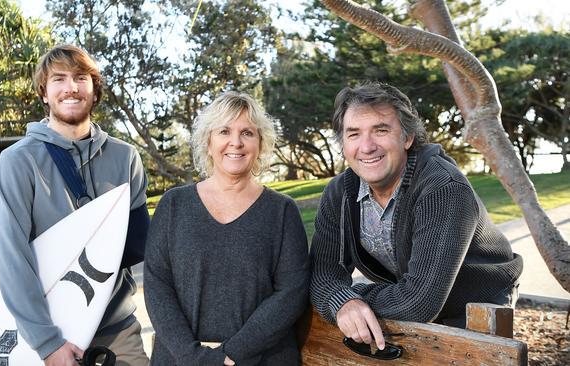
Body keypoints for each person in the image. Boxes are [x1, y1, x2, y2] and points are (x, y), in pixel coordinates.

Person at [309, 82, 523, 351]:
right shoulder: (339, 192)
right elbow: (322, 272)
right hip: (414, 295)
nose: (366, 146)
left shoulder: (443, 188)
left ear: (407, 137)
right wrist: (341, 300)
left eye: (381, 130)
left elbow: (418, 302)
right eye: (353, 134)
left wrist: (349, 298)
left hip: (476, 300)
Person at [0, 44, 150, 366]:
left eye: (81, 78)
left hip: (117, 329)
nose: (71, 88)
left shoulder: (125, 157)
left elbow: (136, 246)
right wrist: (48, 343)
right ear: (44, 93)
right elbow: (13, 258)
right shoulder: (18, 161)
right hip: (53, 334)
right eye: (59, 79)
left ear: (94, 92)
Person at [143, 91, 310, 366]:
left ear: (260, 143)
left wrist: (232, 354)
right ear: (208, 142)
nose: (236, 142)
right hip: (179, 360)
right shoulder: (174, 205)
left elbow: (292, 292)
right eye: (224, 131)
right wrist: (194, 358)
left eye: (247, 133)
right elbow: (157, 287)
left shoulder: (281, 211)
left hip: (262, 359)